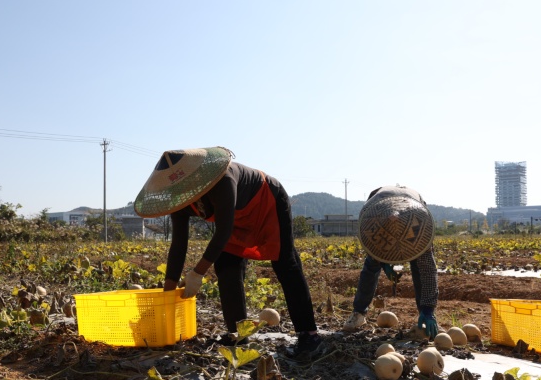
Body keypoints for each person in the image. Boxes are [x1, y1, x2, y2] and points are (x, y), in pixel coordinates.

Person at [133, 147, 322, 359]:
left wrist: (197, 273)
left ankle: (309, 335)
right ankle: (239, 335)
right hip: (235, 219)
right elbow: (178, 245)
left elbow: (223, 232)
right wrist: (167, 297)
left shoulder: (222, 180)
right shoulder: (179, 201)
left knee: (285, 264)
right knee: (225, 265)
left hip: (267, 201)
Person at [342, 185, 439, 339]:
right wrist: (383, 263)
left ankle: (425, 314)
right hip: (379, 217)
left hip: (412, 214)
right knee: (371, 266)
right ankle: (359, 313)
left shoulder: (420, 225)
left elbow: (429, 271)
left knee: (420, 265)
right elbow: (372, 247)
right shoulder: (371, 219)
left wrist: (429, 308)